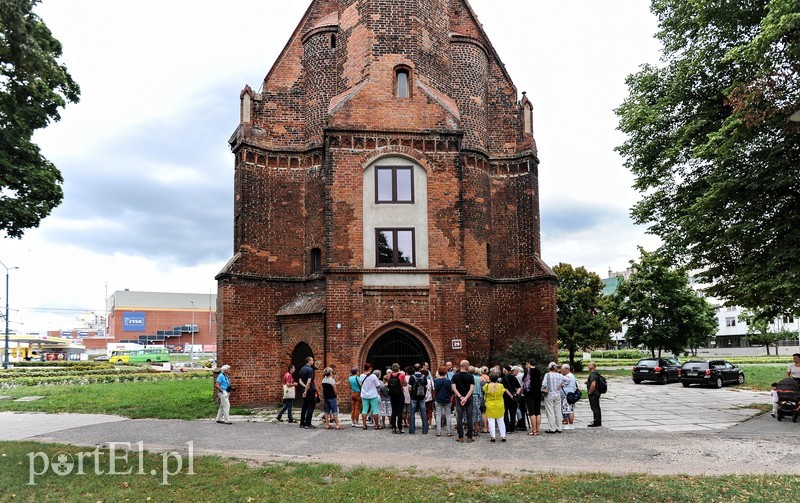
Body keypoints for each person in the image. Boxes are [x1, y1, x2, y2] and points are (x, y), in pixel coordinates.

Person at [483, 371, 514, 442]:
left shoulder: (487, 386)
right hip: (499, 404)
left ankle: (493, 436)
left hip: (490, 404)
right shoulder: (501, 386)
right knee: (501, 420)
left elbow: (484, 390)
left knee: (491, 421)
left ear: (490, 378)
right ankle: (503, 436)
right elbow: (504, 391)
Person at [451, 359, 475, 442]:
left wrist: (460, 397)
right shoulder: (470, 376)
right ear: (466, 366)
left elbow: (453, 388)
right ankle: (469, 437)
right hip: (469, 398)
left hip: (459, 398)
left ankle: (460, 437)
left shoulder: (455, 376)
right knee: (469, 417)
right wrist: (466, 398)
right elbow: (472, 389)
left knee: (459, 417)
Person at [542, 362, 566, 433]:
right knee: (558, 411)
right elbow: (568, 380)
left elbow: (544, 384)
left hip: (549, 394)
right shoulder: (559, 375)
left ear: (549, 368)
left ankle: (552, 428)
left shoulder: (547, 375)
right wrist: (561, 385)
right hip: (557, 394)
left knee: (550, 411)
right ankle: (559, 427)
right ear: (555, 368)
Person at [522, 359, 543, 436]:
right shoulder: (538, 371)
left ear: (529, 364)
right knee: (538, 412)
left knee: (532, 412)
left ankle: (533, 430)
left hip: (530, 393)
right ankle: (537, 430)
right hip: (538, 393)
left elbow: (525, 381)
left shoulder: (528, 372)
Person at [359, 363, 381, 429]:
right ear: (370, 368)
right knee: (375, 410)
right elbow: (378, 385)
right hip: (373, 395)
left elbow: (360, 384)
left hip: (364, 395)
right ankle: (376, 425)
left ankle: (364, 425)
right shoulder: (373, 376)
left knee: (364, 410)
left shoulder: (361, 376)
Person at [298, 356, 318, 429]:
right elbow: (309, 382)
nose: (313, 362)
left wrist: (304, 387)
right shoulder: (310, 370)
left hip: (304, 389)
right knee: (310, 407)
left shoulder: (302, 369)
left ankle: (302, 423)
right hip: (310, 391)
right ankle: (308, 424)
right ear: (309, 361)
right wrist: (306, 390)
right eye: (312, 360)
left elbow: (300, 381)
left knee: (304, 407)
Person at [433, 366, 453, 437]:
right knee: (448, 415)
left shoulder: (435, 380)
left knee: (438, 415)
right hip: (447, 399)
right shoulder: (448, 381)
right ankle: (449, 432)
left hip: (438, 399)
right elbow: (451, 390)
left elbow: (434, 389)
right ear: (446, 372)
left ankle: (438, 432)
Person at [408, 367, 429, 434]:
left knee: (412, 414)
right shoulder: (424, 377)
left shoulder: (412, 377)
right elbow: (426, 386)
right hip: (422, 397)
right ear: (420, 369)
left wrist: (410, 395)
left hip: (413, 397)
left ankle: (412, 430)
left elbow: (409, 388)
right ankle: (425, 430)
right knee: (423, 413)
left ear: (414, 369)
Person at [502, 365, 521, 433]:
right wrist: (516, 394)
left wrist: (510, 395)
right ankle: (512, 427)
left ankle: (507, 428)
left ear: (505, 370)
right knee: (513, 413)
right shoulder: (514, 378)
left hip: (506, 397)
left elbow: (505, 389)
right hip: (514, 397)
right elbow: (519, 387)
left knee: (505, 413)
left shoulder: (504, 378)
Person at [387, 364, 405, 433]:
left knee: (393, 411)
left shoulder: (389, 375)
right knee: (400, 412)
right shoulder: (402, 375)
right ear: (398, 368)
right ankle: (400, 428)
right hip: (400, 394)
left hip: (392, 395)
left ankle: (393, 428)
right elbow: (405, 384)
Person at [560, 363, 577, 430]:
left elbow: (561, 383)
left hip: (567, 395)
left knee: (569, 410)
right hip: (570, 395)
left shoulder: (568, 376)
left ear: (566, 370)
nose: (561, 371)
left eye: (562, 370)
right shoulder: (571, 375)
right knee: (569, 410)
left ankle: (570, 424)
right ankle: (569, 423)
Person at [586, 361, 602, 427]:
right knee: (597, 407)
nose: (588, 366)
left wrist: (590, 392)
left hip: (594, 393)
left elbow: (593, 384)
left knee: (594, 407)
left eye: (589, 365)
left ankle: (596, 422)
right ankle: (598, 421)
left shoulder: (593, 374)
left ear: (592, 366)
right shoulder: (597, 373)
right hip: (597, 392)